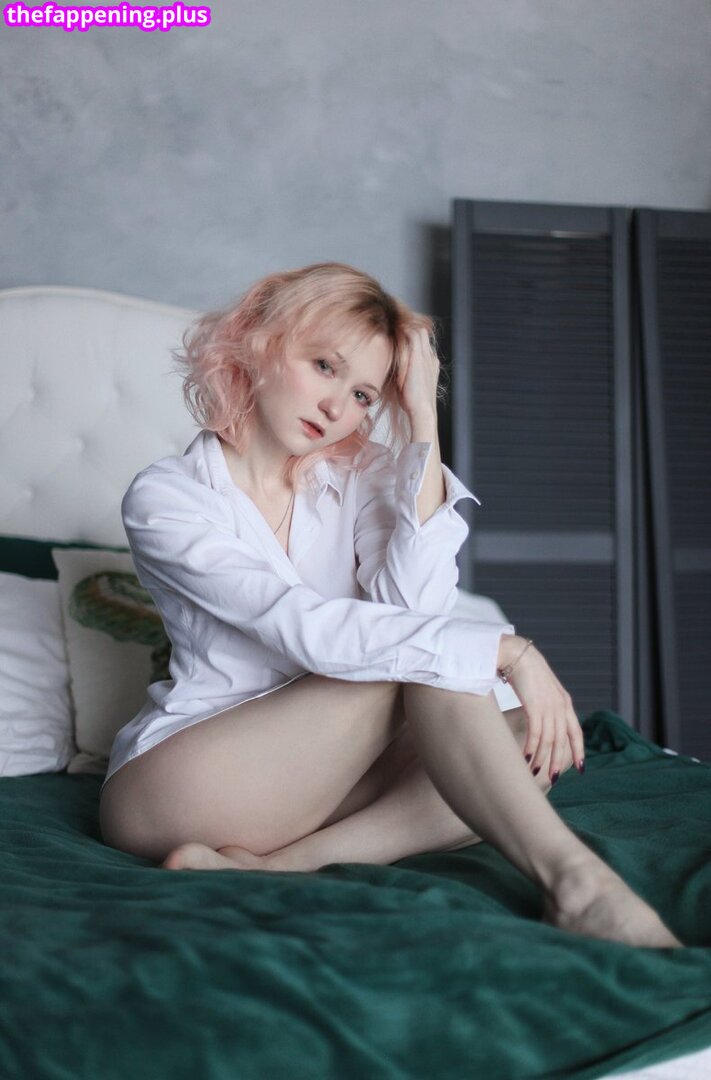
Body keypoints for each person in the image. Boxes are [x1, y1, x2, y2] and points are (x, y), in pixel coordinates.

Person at [99, 261, 682, 949]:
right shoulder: (168, 496)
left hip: (322, 779)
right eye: (323, 366)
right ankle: (579, 884)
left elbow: (416, 607)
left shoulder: (360, 475)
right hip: (184, 783)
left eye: (362, 395)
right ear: (259, 341)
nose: (335, 409)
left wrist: (421, 418)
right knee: (421, 658)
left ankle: (280, 866)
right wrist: (505, 650)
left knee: (522, 741)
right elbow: (305, 628)